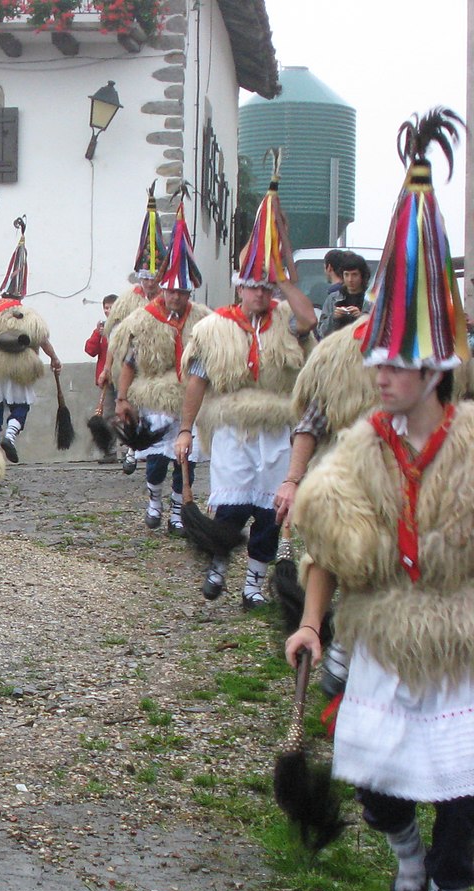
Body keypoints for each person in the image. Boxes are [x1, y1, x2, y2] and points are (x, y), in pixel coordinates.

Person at [285, 107, 470, 891]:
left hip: (461, 637)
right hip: (385, 634)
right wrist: (311, 622)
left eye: (396, 365)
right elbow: (326, 545)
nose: (379, 375)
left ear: (433, 369)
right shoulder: (359, 449)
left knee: (465, 788)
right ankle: (407, 859)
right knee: (377, 783)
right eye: (377, 362)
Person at [174, 169, 316, 607]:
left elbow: (310, 320)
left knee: (271, 512)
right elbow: (197, 381)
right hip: (233, 430)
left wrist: (284, 276)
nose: (259, 293)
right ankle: (218, 562)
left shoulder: (285, 321)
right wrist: (186, 430)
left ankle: (253, 583)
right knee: (233, 507)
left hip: (276, 430)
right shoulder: (214, 329)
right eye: (253, 286)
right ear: (240, 287)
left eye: (265, 287)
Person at [112, 199, 209, 533]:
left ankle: (178, 514)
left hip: (190, 399)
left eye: (181, 292)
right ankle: (154, 500)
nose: (175, 297)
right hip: (156, 399)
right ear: (163, 289)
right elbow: (130, 362)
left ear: (189, 292)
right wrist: (122, 399)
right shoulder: (145, 320)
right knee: (156, 461)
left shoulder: (203, 320)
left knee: (186, 461)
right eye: (171, 291)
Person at [0, 219, 63, 463]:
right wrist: (54, 358)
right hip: (19, 368)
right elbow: (42, 338)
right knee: (21, 407)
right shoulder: (26, 314)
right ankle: (11, 435)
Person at [86, 292, 118, 462]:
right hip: (106, 379)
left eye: (111, 307)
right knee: (108, 415)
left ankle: (132, 451)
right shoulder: (101, 329)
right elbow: (90, 350)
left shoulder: (122, 327)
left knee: (127, 414)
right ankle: (110, 451)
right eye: (106, 307)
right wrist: (98, 334)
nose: (108, 311)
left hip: (122, 376)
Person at [317, 252, 371, 339]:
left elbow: (378, 331)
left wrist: (361, 317)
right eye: (346, 274)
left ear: (362, 276)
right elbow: (322, 332)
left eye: (354, 275)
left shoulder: (371, 300)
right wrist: (334, 317)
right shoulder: (333, 298)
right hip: (337, 345)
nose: (350, 279)